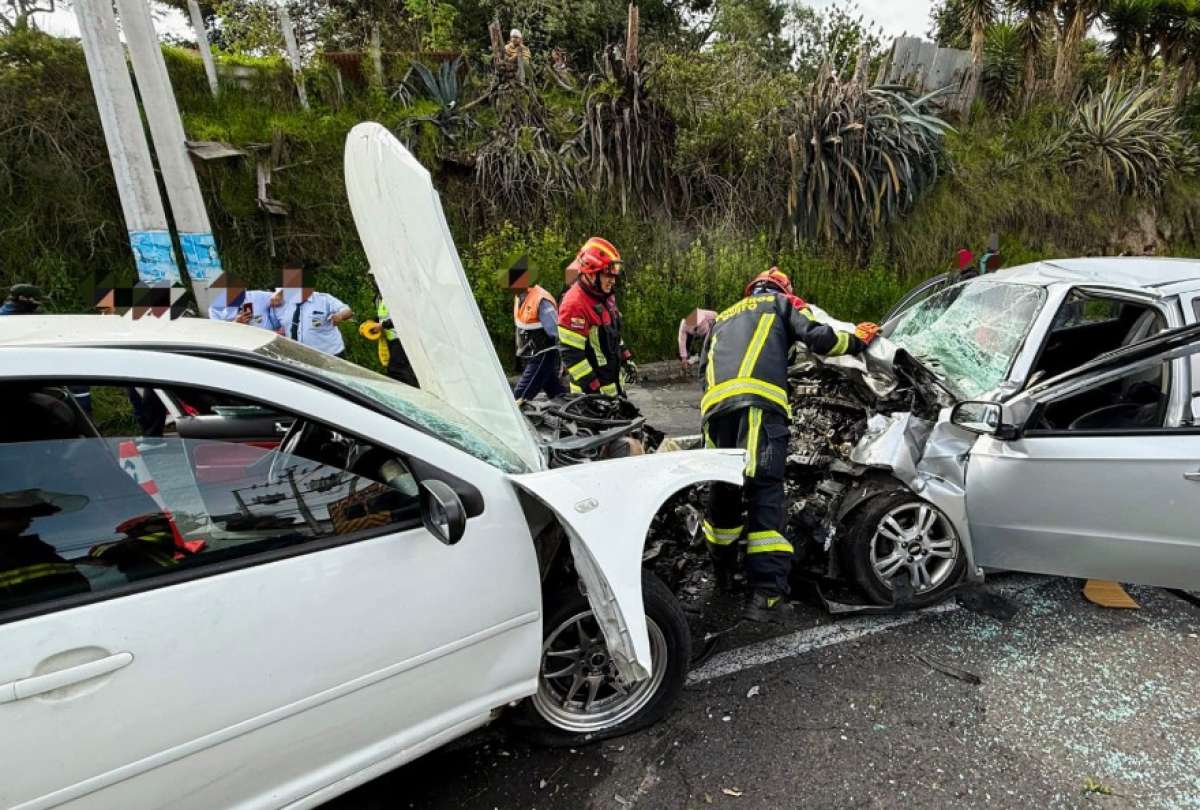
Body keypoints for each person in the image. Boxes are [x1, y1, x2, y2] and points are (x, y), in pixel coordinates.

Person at [700, 267, 879, 623]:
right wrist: (858, 339)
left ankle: (722, 572)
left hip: (715, 413)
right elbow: (821, 339)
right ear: (783, 289)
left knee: (724, 491)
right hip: (758, 409)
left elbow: (703, 366)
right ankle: (766, 595)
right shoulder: (783, 304)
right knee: (765, 492)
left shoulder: (724, 317)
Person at [557, 237, 635, 397]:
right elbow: (572, 356)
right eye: (608, 276)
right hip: (590, 399)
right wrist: (594, 390)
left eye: (614, 277)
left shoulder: (605, 296)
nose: (612, 281)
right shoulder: (574, 304)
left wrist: (626, 357)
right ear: (591, 273)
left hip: (613, 391)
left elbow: (612, 334)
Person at [0, 489, 90, 612]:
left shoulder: (30, 551)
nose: (28, 522)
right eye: (18, 516)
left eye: (29, 516)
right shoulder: (22, 553)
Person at [509, 263, 564, 402]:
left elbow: (557, 332)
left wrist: (565, 358)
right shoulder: (518, 298)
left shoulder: (541, 300)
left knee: (520, 396)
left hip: (543, 355)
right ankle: (577, 413)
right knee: (557, 393)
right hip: (530, 356)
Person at [273, 263, 354, 357]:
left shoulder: (324, 299)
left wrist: (340, 316)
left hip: (330, 357)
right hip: (298, 357)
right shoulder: (282, 303)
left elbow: (347, 310)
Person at [360, 291, 419, 387]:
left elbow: (401, 317)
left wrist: (382, 325)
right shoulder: (378, 297)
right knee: (394, 369)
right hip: (389, 339)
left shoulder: (393, 293)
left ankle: (412, 391)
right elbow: (382, 317)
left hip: (401, 338)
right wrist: (371, 324)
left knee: (398, 369)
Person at [207, 272, 282, 333]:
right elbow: (218, 333)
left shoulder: (257, 296)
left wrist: (279, 294)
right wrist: (235, 324)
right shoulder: (215, 309)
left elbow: (281, 299)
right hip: (242, 346)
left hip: (268, 339)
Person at [678, 308, 716, 375]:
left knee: (706, 347)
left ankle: (706, 364)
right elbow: (681, 340)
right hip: (696, 331)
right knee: (686, 345)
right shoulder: (684, 325)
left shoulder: (703, 319)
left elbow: (707, 334)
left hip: (711, 325)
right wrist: (683, 357)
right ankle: (686, 364)